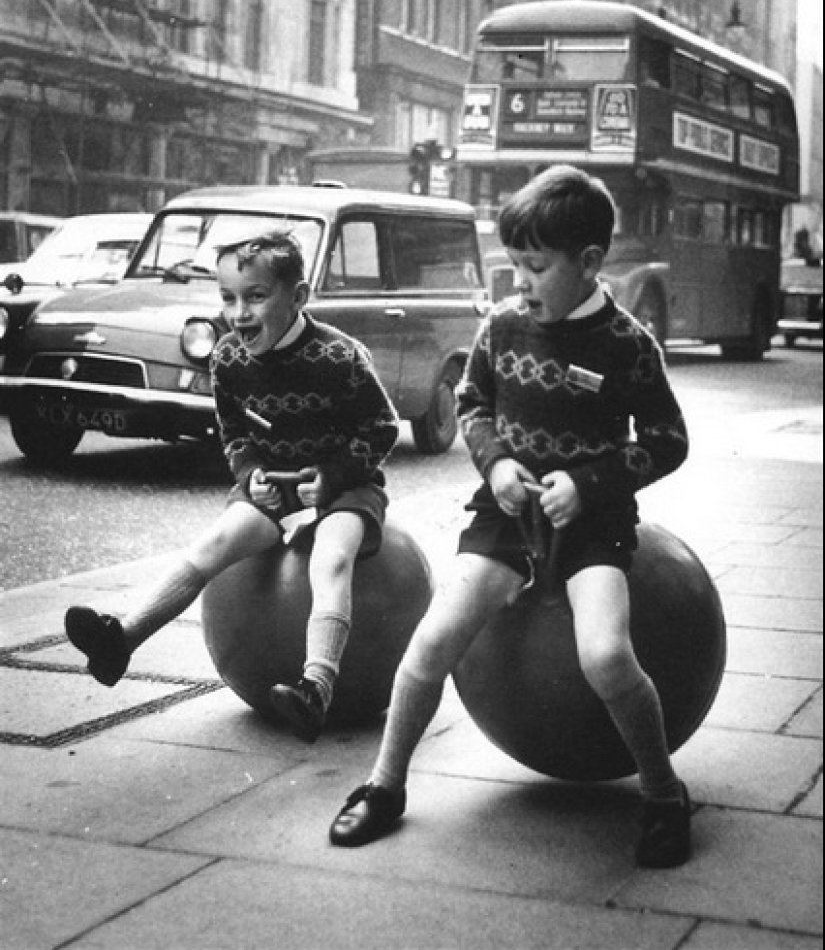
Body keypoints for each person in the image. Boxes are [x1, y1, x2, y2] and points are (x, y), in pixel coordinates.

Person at [329, 166, 692, 868]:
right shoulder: (500, 326)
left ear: (587, 263)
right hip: (504, 518)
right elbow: (472, 403)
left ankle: (662, 792)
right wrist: (494, 462)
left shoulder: (626, 344)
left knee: (606, 654)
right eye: (513, 265)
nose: (519, 281)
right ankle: (383, 784)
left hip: (594, 528)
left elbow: (667, 439)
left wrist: (588, 483)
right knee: (431, 641)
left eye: (535, 266)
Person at [65, 229, 399, 743]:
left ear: (299, 296)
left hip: (342, 491)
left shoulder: (340, 356)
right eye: (228, 297)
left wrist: (331, 479)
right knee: (212, 545)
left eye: (256, 296)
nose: (238, 312)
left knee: (331, 557)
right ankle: (121, 640)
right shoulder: (227, 358)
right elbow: (236, 434)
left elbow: (383, 427)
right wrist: (251, 476)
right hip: (271, 492)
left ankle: (317, 688)